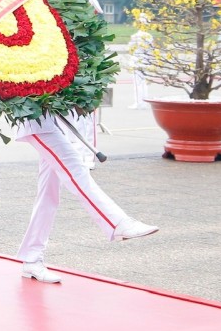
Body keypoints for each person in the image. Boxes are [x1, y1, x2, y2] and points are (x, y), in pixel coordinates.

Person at [12, 115, 159, 283]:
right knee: (76, 170)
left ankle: (32, 257)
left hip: (51, 119)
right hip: (36, 121)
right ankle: (117, 223)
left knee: (48, 192)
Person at [128, 13, 153, 109]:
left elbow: (131, 49)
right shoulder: (149, 36)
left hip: (137, 61)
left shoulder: (135, 36)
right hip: (146, 61)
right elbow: (151, 50)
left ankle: (138, 103)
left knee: (137, 84)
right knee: (144, 83)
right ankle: (144, 102)